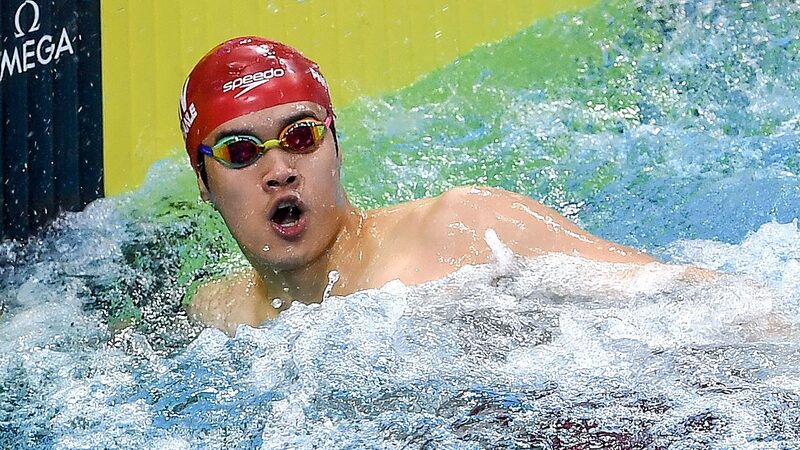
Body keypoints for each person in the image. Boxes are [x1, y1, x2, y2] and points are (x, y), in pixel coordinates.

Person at [179, 36, 656, 335]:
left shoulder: (466, 229)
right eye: (240, 151)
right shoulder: (219, 314)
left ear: (336, 147)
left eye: (302, 136)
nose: (280, 169)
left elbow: (689, 299)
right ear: (203, 181)